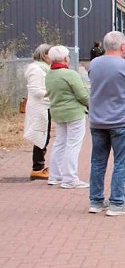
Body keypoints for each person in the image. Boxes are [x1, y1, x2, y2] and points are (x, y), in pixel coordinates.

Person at [87, 31, 125, 215]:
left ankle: (96, 201)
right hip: (121, 121)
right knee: (121, 163)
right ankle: (117, 203)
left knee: (98, 162)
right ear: (123, 47)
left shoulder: (94, 64)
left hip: (97, 121)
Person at [44, 45, 89, 189]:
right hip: (74, 112)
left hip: (57, 112)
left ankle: (55, 175)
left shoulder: (49, 74)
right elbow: (82, 95)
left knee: (60, 143)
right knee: (73, 144)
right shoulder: (70, 74)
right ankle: (69, 178)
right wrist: (90, 104)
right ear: (65, 58)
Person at [22, 44, 52, 181]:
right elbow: (35, 89)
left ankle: (39, 166)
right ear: (45, 55)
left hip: (45, 106)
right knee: (40, 136)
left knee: (44, 136)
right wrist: (52, 94)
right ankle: (37, 168)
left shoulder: (44, 68)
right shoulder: (36, 69)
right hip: (39, 107)